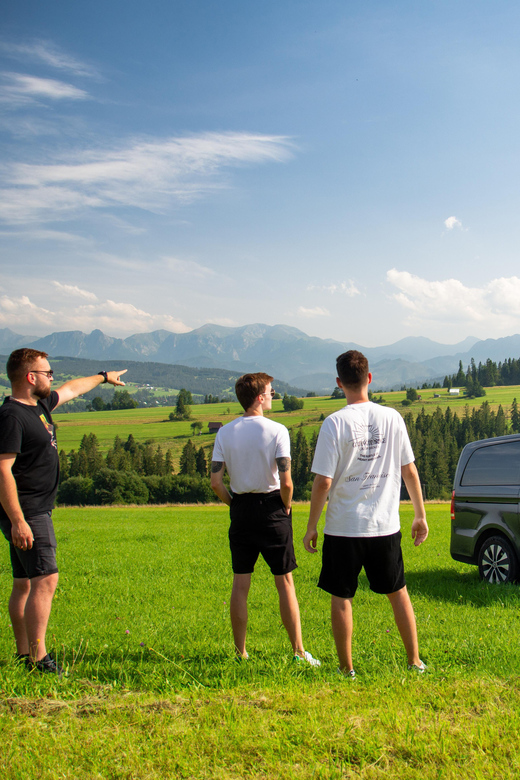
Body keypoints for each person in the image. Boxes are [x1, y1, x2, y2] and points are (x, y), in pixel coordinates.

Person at [0, 348, 127, 675]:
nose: (52, 377)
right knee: (45, 578)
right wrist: (18, 520)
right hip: (28, 510)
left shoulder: (37, 406)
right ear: (31, 377)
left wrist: (102, 377)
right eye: (47, 373)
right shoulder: (12, 416)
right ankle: (38, 659)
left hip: (33, 509)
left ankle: (22, 654)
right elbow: (3, 470)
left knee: (25, 583)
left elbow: (72, 389)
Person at [303, 350, 428, 678]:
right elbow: (409, 471)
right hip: (384, 524)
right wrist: (420, 514)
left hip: (344, 526)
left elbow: (323, 482)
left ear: (339, 383)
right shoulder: (392, 418)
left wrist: (311, 525)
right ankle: (414, 661)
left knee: (341, 596)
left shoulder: (334, 423)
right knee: (398, 592)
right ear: (369, 378)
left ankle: (347, 669)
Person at [210, 372, 320, 666]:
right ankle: (298, 652)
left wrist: (235, 504)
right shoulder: (277, 430)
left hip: (241, 509)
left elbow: (216, 482)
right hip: (273, 508)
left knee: (240, 582)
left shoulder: (224, 432)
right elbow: (286, 482)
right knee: (285, 581)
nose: (273, 395)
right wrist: (285, 507)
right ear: (259, 398)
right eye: (271, 391)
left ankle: (240, 652)